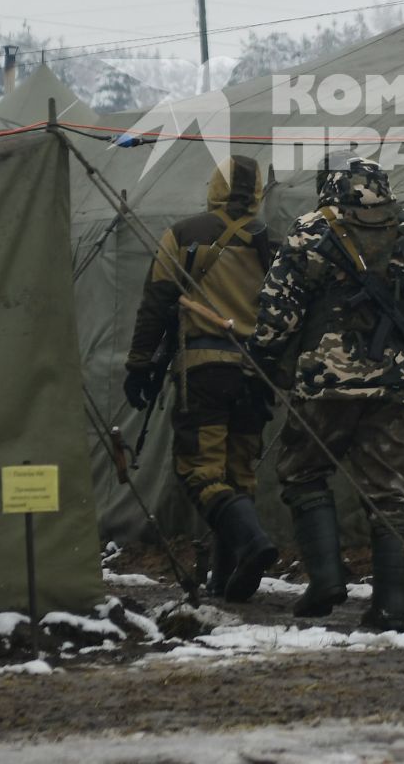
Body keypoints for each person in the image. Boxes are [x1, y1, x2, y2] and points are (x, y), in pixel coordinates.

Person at [247, 154, 404, 632]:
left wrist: (261, 359)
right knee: (389, 492)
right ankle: (392, 606)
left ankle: (327, 579)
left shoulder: (311, 229)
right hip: (396, 386)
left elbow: (281, 307)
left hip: (326, 382)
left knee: (302, 472)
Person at [123, 154, 280, 603]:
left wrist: (139, 366)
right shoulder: (273, 244)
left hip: (205, 372)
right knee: (239, 473)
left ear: (213, 187)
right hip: (254, 377)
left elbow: (155, 304)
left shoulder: (183, 236)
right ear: (257, 194)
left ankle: (251, 546)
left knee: (200, 470)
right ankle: (229, 579)